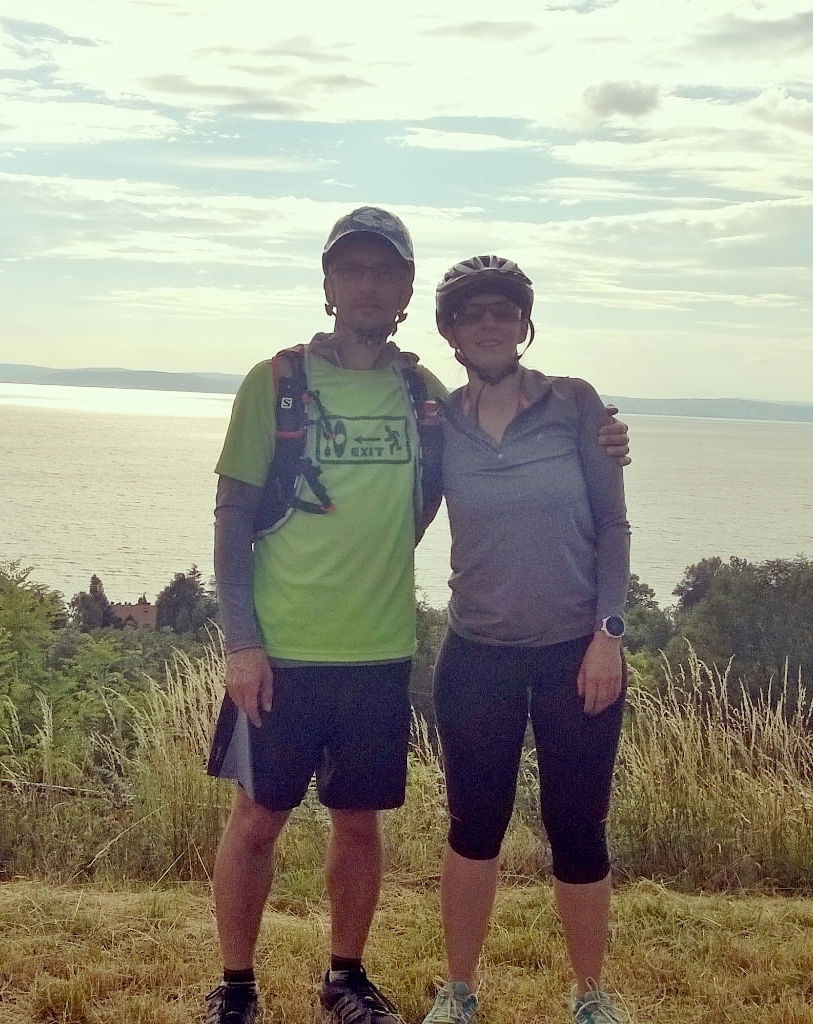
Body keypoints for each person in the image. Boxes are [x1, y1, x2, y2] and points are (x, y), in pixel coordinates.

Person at [203, 211, 630, 1024]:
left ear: (405, 293)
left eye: (384, 272)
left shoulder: (425, 396)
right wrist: (241, 642)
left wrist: (605, 436)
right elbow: (231, 518)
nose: (367, 285)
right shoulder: (277, 381)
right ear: (328, 284)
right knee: (256, 819)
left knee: (358, 823)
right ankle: (236, 989)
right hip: (282, 648)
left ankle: (346, 981)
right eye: (351, 269)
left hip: (380, 647)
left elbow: (444, 487)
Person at [420, 257, 630, 1024]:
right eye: (471, 313)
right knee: (473, 827)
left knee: (578, 828)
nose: (489, 323)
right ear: (449, 332)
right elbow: (401, 513)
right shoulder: (438, 423)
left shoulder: (576, 404)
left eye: (503, 311)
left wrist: (608, 635)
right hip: (478, 653)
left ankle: (590, 995)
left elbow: (613, 526)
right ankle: (459, 992)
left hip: (578, 652)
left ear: (523, 323)